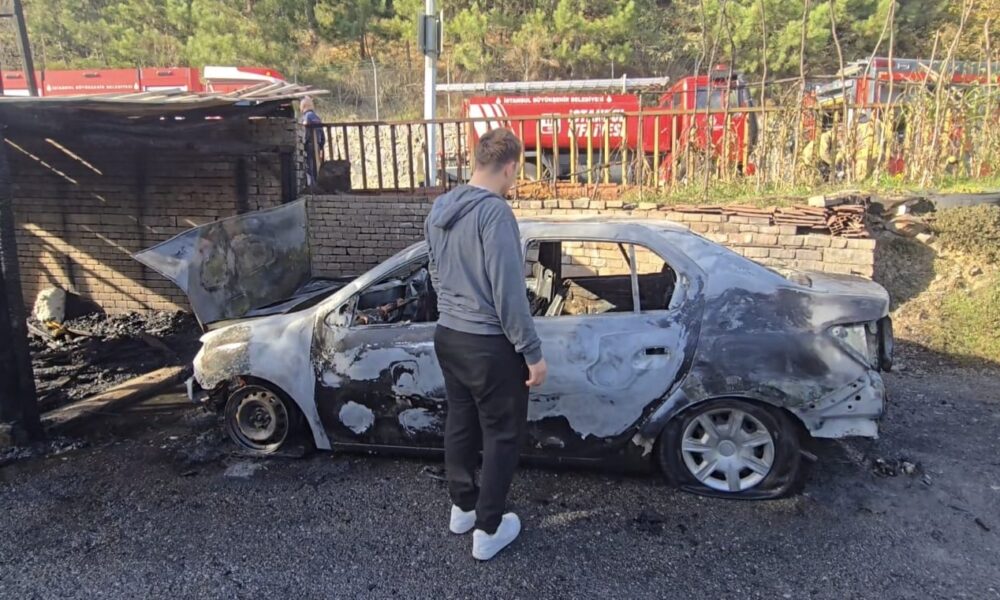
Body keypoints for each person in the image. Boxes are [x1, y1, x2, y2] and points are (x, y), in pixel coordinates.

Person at [424, 128, 548, 561]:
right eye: (516, 172)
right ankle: (489, 529)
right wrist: (532, 353)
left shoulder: (441, 207)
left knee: (460, 422)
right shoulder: (494, 213)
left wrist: (454, 310)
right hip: (488, 344)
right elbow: (509, 292)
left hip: (449, 336)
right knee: (502, 434)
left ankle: (463, 507)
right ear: (509, 167)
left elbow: (434, 272)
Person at [300, 96, 324, 186]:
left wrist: (302, 144)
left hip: (309, 145)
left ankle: (312, 187)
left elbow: (305, 133)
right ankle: (317, 186)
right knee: (316, 167)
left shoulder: (306, 117)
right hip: (317, 145)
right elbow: (322, 134)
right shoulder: (317, 118)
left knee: (309, 167)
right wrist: (320, 145)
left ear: (303, 106)